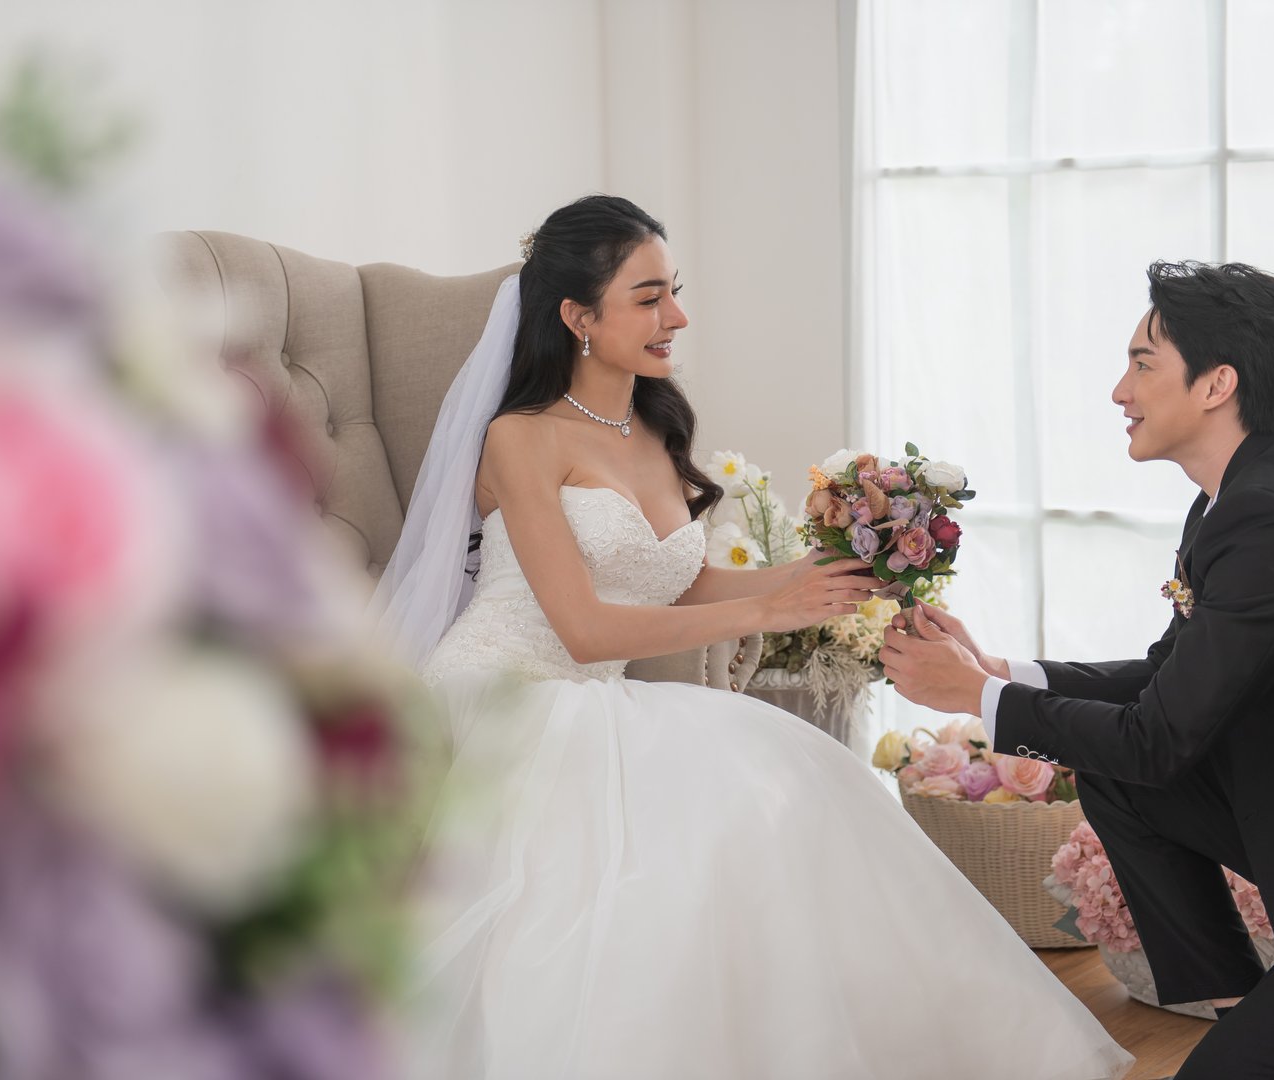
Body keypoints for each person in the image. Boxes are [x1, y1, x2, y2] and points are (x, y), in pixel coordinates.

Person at [371, 195, 1132, 1080]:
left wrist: (828, 575)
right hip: (505, 695)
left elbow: (676, 581)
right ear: (577, 316)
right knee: (710, 821)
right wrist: (768, 611)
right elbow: (580, 627)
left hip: (592, 697)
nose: (677, 317)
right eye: (648, 296)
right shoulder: (520, 439)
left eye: (675, 291)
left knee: (802, 782)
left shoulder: (653, 429)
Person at [881, 261, 1274, 1079]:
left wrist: (974, 696)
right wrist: (1000, 669)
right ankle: (1238, 1005)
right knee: (1119, 777)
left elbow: (1159, 737)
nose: (1119, 390)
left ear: (1217, 384)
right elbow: (1165, 679)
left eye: (1143, 364)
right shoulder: (1248, 488)